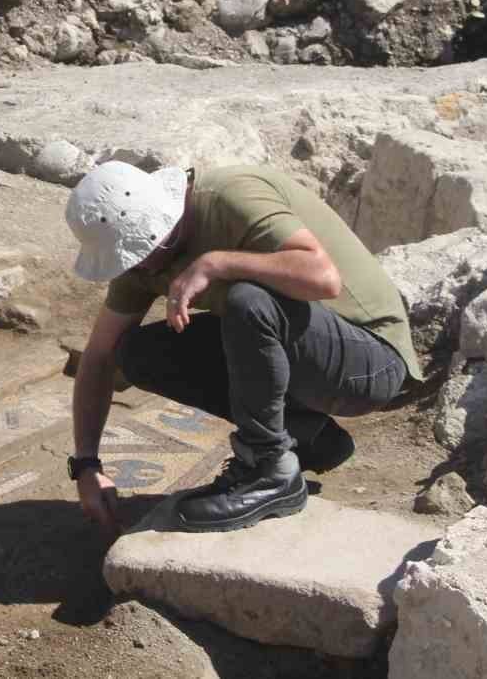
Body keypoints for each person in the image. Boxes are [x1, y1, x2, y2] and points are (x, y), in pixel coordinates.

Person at [63, 162, 423, 535]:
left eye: (144, 252)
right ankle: (309, 438)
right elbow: (100, 354)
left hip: (371, 361)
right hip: (304, 356)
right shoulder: (144, 262)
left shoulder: (229, 197)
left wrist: (217, 263)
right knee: (137, 351)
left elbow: (323, 278)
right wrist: (87, 465)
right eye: (130, 258)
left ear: (163, 222)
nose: (139, 266)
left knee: (248, 301)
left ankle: (268, 472)